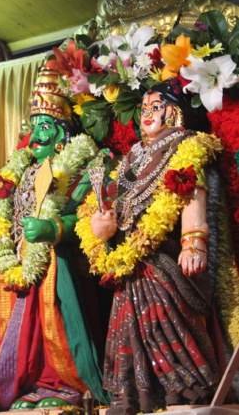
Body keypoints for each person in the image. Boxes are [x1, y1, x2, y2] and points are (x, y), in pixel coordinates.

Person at [0, 67, 108, 409]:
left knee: (55, 326)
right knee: (13, 332)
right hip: (13, 263)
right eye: (33, 128)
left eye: (44, 127)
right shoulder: (16, 172)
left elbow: (91, 218)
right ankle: (25, 389)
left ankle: (64, 386)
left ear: (62, 133)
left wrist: (53, 229)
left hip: (58, 266)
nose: (36, 136)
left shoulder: (81, 165)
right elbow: (6, 221)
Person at [81, 82, 223, 413]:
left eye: (155, 107)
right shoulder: (130, 156)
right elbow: (114, 203)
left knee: (163, 322)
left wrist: (193, 244)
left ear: (174, 111)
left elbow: (192, 196)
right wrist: (102, 226)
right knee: (129, 327)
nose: (147, 114)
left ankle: (184, 394)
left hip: (164, 257)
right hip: (128, 261)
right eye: (143, 109)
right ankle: (135, 398)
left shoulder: (186, 146)